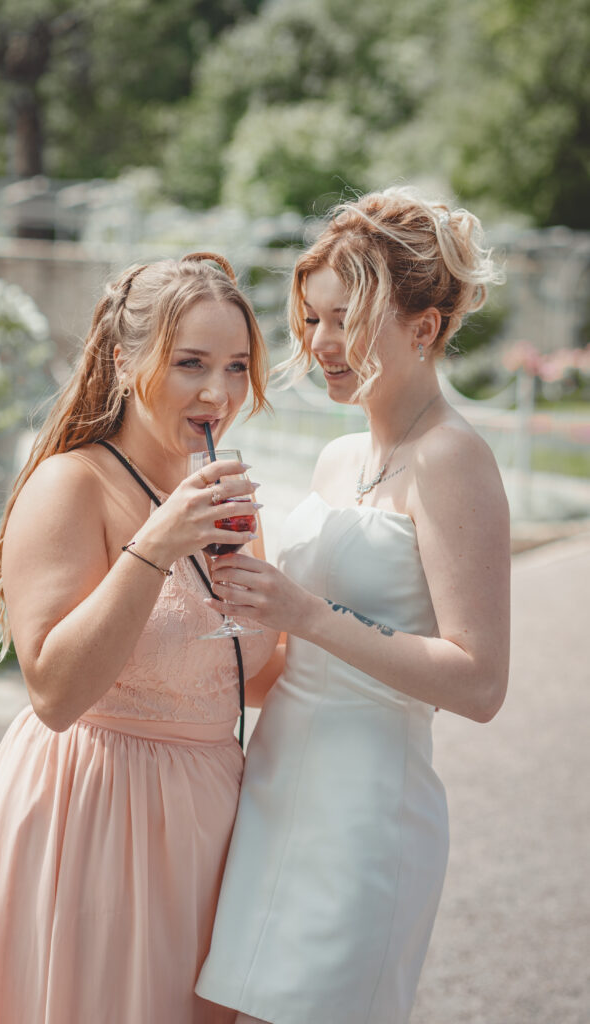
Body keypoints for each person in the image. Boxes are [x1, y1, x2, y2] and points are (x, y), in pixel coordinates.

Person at [195, 189, 511, 1024]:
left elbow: (478, 684)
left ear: (425, 326)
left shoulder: (453, 460)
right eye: (312, 319)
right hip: (272, 785)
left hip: (363, 813)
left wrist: (302, 613)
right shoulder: (338, 459)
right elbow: (292, 652)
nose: (321, 344)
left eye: (346, 319)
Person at [0, 252, 278, 1024]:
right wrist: (156, 548)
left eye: (235, 366)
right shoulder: (72, 484)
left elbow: (248, 678)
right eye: (190, 362)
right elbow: (54, 692)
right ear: (125, 360)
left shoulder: (219, 494)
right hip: (93, 816)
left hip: (210, 825)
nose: (218, 392)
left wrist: (299, 607)